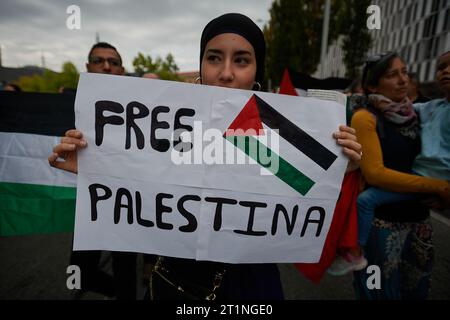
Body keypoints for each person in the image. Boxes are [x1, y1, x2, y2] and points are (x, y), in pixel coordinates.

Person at [49, 13, 362, 300]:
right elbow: (139, 187)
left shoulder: (266, 137)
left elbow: (304, 207)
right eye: (214, 58)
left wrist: (338, 170)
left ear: (257, 71)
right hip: (175, 284)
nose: (225, 73)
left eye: (241, 60)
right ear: (201, 66)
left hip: (249, 290)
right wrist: (94, 165)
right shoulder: (163, 126)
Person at [328, 52, 450, 277]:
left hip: (418, 223)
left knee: (415, 287)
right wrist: (438, 186)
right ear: (373, 86)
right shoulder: (367, 116)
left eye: (404, 72)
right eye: (392, 75)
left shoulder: (416, 113)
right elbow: (375, 174)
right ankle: (355, 251)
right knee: (383, 288)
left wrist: (441, 195)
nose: (403, 80)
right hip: (383, 225)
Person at [68, 42, 137, 300]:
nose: (106, 66)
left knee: (126, 272)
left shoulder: (143, 105)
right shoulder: (73, 105)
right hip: (92, 203)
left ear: (121, 70)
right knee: (80, 273)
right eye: (99, 61)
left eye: (114, 62)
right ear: (88, 68)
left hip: (131, 204)